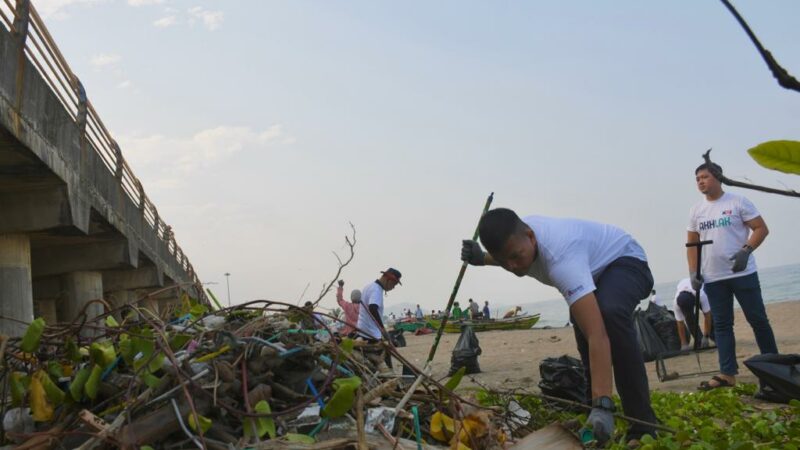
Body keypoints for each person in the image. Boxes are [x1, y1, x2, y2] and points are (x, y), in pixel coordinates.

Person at [462, 208, 658, 444]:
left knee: (610, 315)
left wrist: (604, 403)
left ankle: (641, 426)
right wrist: (481, 259)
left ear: (531, 237)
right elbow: (505, 255)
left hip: (626, 260)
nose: (513, 266)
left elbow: (599, 336)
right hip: (592, 272)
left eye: (516, 257)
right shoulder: (517, 243)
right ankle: (591, 416)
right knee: (582, 324)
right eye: (506, 262)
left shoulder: (561, 260)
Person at [688, 162, 778, 392]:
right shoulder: (697, 210)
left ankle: (773, 368)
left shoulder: (738, 201)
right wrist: (693, 272)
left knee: (757, 320)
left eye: (705, 177)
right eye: (697, 178)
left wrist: (746, 251)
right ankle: (727, 373)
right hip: (713, 277)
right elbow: (692, 243)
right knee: (722, 326)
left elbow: (760, 228)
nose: (700, 181)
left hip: (742, 274)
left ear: (718, 177)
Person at [356, 268, 402, 371]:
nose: (393, 288)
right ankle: (391, 380)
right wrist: (382, 329)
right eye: (393, 285)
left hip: (362, 330)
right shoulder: (376, 290)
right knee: (385, 360)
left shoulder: (369, 286)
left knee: (384, 357)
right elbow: (373, 307)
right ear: (388, 280)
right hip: (371, 334)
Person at [672, 278, 712, 350]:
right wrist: (683, 343)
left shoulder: (702, 295)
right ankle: (699, 341)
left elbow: (707, 316)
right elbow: (680, 323)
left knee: (712, 316)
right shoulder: (676, 304)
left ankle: (715, 337)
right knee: (689, 319)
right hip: (685, 293)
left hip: (700, 288)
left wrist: (706, 336)